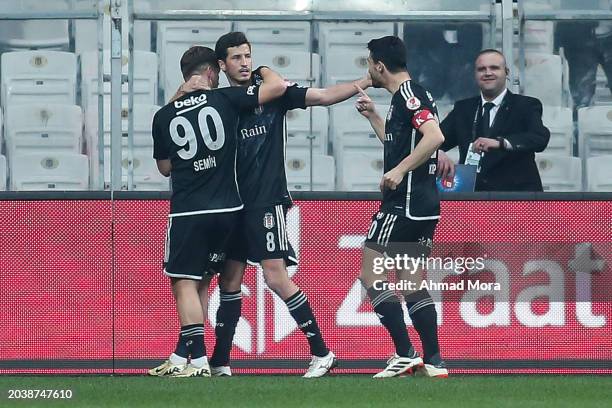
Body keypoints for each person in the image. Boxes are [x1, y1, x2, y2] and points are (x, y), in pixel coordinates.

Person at [174, 31, 373, 378]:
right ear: (221, 65)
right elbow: (177, 115)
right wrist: (181, 90)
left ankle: (322, 352)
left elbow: (324, 96)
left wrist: (365, 81)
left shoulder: (274, 91)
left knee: (275, 276)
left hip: (265, 199)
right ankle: (221, 362)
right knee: (229, 282)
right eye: (236, 58)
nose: (244, 62)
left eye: (248, 55)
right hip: (230, 204)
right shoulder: (219, 99)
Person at [148, 46, 287, 377]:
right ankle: (183, 357)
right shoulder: (225, 99)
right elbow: (277, 89)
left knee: (184, 282)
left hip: (189, 211)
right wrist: (263, 70)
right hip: (230, 209)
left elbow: (165, 167)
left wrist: (176, 99)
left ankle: (197, 361)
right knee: (207, 280)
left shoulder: (164, 115)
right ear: (212, 72)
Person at [354, 35, 448, 378]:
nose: (369, 70)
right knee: (410, 282)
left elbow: (435, 138)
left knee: (370, 274)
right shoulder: (404, 98)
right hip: (423, 205)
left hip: (403, 204)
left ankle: (404, 353)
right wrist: (375, 118)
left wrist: (399, 170)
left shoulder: (409, 96)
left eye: (369, 64)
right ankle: (435, 361)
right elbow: (401, 145)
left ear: (379, 66)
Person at [437, 49, 550, 192]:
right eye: (481, 69)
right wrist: (437, 153)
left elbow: (540, 138)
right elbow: (434, 140)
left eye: (494, 68)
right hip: (475, 199)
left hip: (516, 199)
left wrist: (500, 143)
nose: (487, 73)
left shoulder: (526, 105)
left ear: (507, 72)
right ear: (475, 75)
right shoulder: (463, 109)